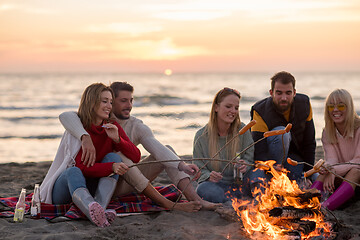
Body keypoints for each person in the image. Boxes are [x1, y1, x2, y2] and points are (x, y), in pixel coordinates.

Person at [59, 82, 217, 211]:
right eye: (123, 101)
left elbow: (154, 148)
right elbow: (67, 115)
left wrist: (182, 165)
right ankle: (167, 204)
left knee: (165, 150)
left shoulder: (133, 126)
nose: (129, 105)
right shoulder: (88, 123)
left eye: (131, 100)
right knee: (119, 157)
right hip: (105, 180)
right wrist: (84, 136)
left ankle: (195, 199)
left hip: (123, 180)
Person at [40, 83, 140, 227]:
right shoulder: (78, 129)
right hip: (66, 188)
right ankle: (93, 209)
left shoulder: (112, 126)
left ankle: (98, 208)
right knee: (73, 171)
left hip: (93, 187)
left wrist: (118, 139)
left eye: (111, 102)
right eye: (104, 101)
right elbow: (81, 168)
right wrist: (111, 167)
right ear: (91, 102)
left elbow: (136, 156)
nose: (109, 106)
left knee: (114, 157)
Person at [193, 87, 260, 203]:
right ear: (216, 107)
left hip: (242, 185)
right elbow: (198, 167)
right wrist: (208, 175)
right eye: (228, 107)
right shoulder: (201, 136)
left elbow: (250, 159)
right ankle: (236, 203)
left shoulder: (243, 131)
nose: (233, 111)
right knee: (203, 189)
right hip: (218, 187)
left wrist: (246, 166)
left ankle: (240, 202)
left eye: (236, 108)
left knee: (259, 174)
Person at [250, 71, 316, 182]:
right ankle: (274, 179)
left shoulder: (304, 104)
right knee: (282, 132)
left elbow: (309, 142)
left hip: (294, 159)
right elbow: (259, 149)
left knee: (304, 179)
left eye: (288, 93)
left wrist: (308, 173)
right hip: (270, 160)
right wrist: (269, 167)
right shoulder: (260, 110)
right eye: (279, 93)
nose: (284, 98)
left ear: (294, 93)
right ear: (271, 93)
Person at [311, 89, 360, 210]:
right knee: (324, 170)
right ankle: (307, 202)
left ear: (349, 107)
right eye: (331, 106)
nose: (335, 110)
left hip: (357, 178)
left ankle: (324, 209)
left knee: (355, 170)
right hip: (344, 178)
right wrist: (329, 169)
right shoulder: (327, 132)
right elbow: (332, 159)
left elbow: (358, 161)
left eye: (341, 106)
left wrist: (333, 170)